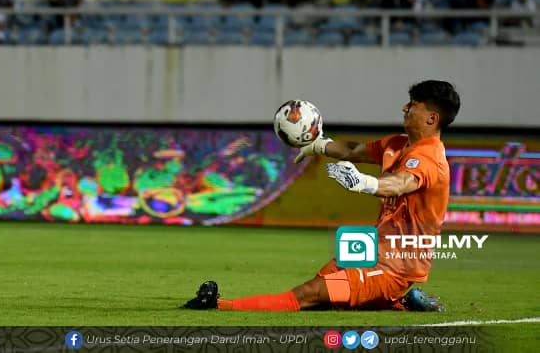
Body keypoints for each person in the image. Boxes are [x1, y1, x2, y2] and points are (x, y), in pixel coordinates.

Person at [183, 80, 461, 313]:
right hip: (369, 253)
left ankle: (218, 305)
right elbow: (352, 150)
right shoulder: (397, 144)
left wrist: (363, 182)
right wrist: (319, 145)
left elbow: (400, 184)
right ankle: (397, 302)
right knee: (322, 295)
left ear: (431, 118)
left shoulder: (430, 159)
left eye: (412, 104)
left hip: (395, 268)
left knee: (309, 294)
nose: (405, 107)